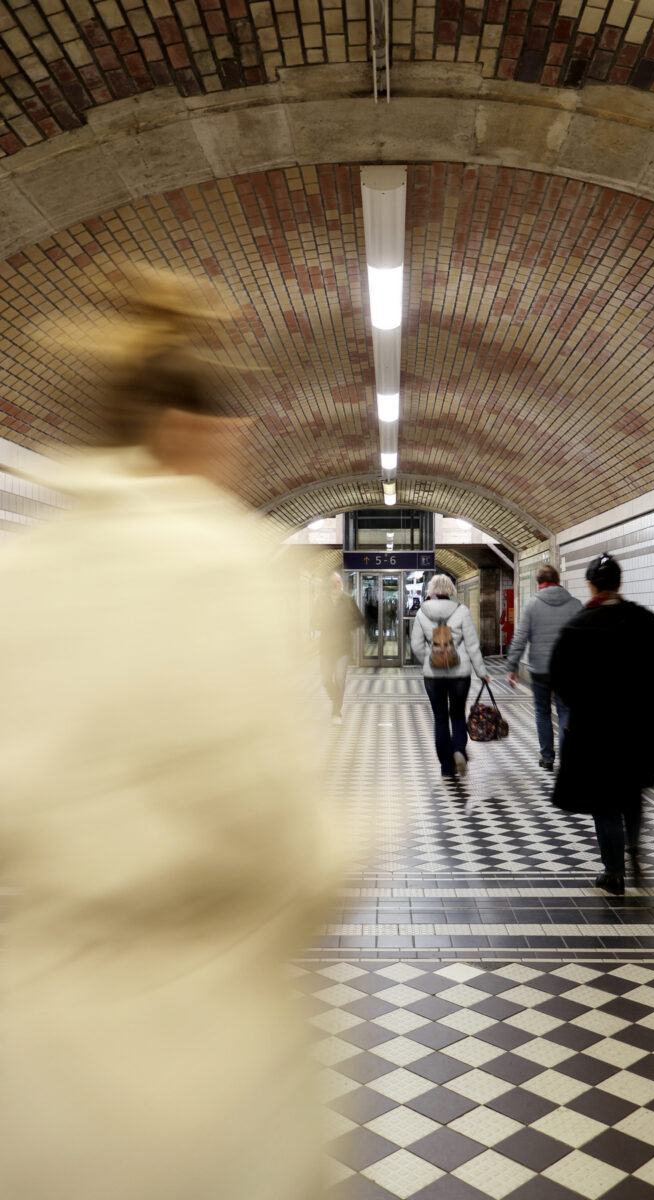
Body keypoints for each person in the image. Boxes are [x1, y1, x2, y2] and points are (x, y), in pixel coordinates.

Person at [0, 267, 343, 1200]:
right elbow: (283, 846)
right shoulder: (225, 565)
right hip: (190, 1059)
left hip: (30, 1051)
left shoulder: (20, 568)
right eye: (235, 446)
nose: (239, 469)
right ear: (187, 433)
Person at [549, 553, 654, 896]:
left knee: (604, 801)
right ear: (620, 583)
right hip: (639, 728)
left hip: (594, 730)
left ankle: (613, 871)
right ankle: (633, 844)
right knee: (631, 790)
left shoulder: (578, 626)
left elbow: (561, 679)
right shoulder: (646, 621)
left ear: (591, 585)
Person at [411, 573, 489, 779]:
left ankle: (446, 766)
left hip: (433, 675)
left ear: (431, 590)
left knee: (440, 718)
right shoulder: (462, 611)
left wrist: (429, 659)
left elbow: (416, 646)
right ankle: (459, 751)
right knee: (457, 714)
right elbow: (472, 645)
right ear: (451, 591)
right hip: (460, 674)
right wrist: (482, 672)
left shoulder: (422, 613)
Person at [506, 562, 582, 770]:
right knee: (566, 711)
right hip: (567, 669)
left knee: (542, 711)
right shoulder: (575, 604)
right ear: (558, 581)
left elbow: (520, 638)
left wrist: (512, 666)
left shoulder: (531, 604)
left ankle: (547, 757)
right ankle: (567, 758)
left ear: (538, 582)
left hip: (539, 669)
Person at [312, 570, 362, 724]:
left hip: (343, 647)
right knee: (326, 678)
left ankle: (336, 712)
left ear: (342, 584)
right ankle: (336, 699)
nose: (336, 585)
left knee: (339, 679)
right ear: (329, 584)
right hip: (327, 646)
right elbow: (313, 620)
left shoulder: (348, 600)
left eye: (338, 582)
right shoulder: (321, 600)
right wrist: (322, 625)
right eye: (333, 582)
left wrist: (346, 626)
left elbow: (359, 619)